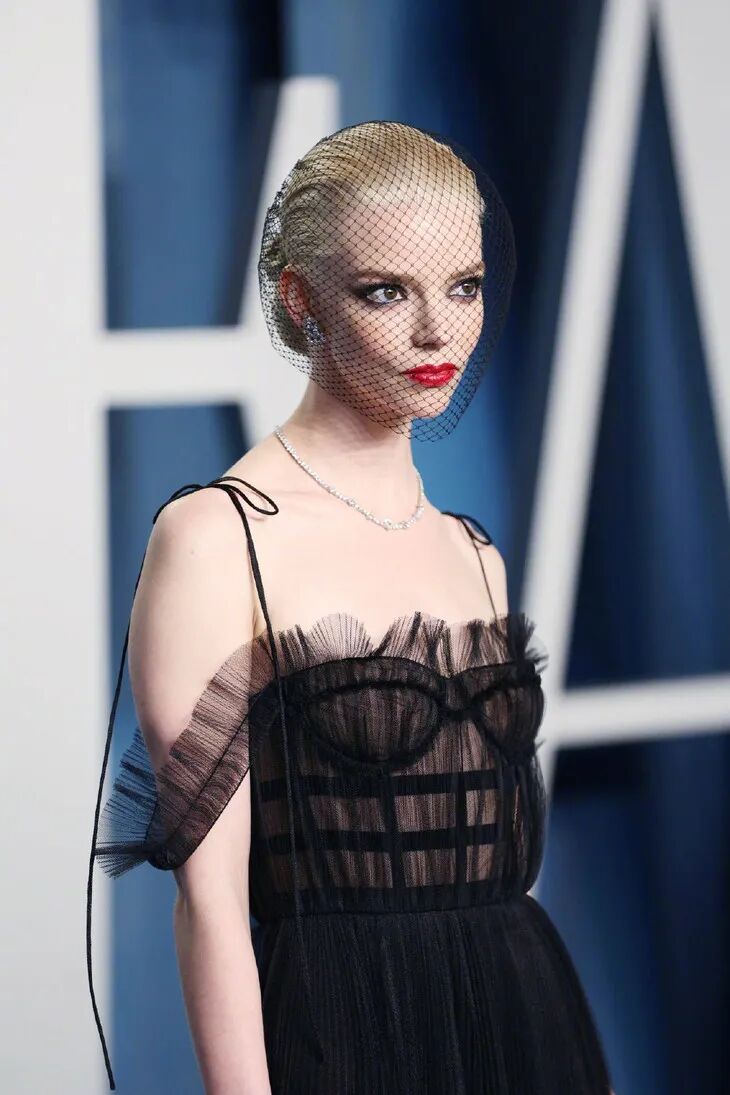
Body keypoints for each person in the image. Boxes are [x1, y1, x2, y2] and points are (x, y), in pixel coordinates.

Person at [88, 120, 614, 1093]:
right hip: (343, 1039)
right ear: (301, 299)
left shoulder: (473, 554)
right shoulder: (218, 539)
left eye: (464, 286)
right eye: (386, 291)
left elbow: (505, 871)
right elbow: (210, 906)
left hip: (530, 1030)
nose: (437, 331)